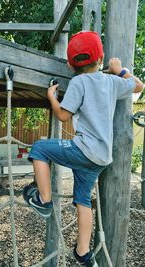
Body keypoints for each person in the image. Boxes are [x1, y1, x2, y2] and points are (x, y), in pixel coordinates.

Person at [23, 31, 144, 267]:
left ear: (70, 65)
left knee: (39, 148)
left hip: (83, 149)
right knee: (83, 200)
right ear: (102, 59)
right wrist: (119, 69)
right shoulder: (111, 81)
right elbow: (139, 85)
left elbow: (63, 116)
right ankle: (83, 252)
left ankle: (44, 199)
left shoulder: (78, 82)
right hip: (100, 158)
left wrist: (52, 97)